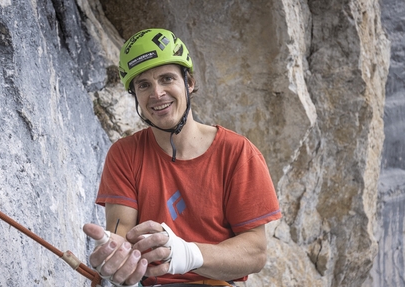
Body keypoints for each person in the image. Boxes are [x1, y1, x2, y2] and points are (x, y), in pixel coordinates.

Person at [83, 28, 281, 287]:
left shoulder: (237, 154)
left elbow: (255, 252)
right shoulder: (125, 154)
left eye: (167, 79)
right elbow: (121, 235)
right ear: (135, 96)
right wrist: (116, 256)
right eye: (144, 85)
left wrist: (188, 254)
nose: (157, 93)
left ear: (189, 83)